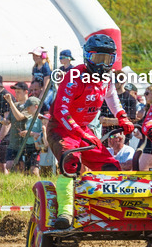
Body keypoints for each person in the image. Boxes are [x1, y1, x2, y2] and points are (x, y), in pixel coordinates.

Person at [48, 34, 134, 229]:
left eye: (107, 59)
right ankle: (65, 212)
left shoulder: (107, 79)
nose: (103, 65)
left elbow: (111, 97)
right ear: (87, 56)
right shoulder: (74, 76)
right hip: (61, 129)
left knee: (111, 166)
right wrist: (82, 133)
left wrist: (122, 116)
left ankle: (107, 208)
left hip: (84, 130)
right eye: (98, 58)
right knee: (70, 164)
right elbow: (60, 111)